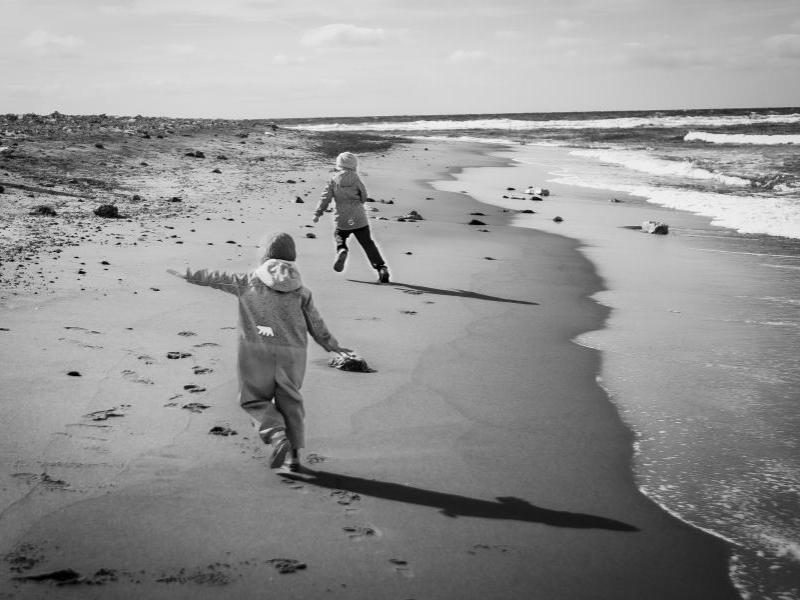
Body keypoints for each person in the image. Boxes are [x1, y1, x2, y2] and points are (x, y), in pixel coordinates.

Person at [167, 232, 351, 472]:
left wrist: (189, 274)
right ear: (292, 258)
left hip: (256, 350)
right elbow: (315, 323)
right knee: (291, 402)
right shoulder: (302, 292)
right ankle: (293, 458)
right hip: (293, 354)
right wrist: (332, 345)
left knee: (253, 399)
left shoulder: (248, 282)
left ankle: (276, 436)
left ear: (264, 257)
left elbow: (217, 278)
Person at [313, 151, 390, 283]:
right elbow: (364, 194)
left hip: (342, 219)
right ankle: (381, 268)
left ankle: (342, 249)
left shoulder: (333, 180)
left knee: (339, 235)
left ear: (338, 165)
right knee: (367, 243)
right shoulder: (356, 178)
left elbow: (325, 198)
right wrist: (361, 201)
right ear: (354, 165)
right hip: (359, 218)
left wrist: (318, 212)